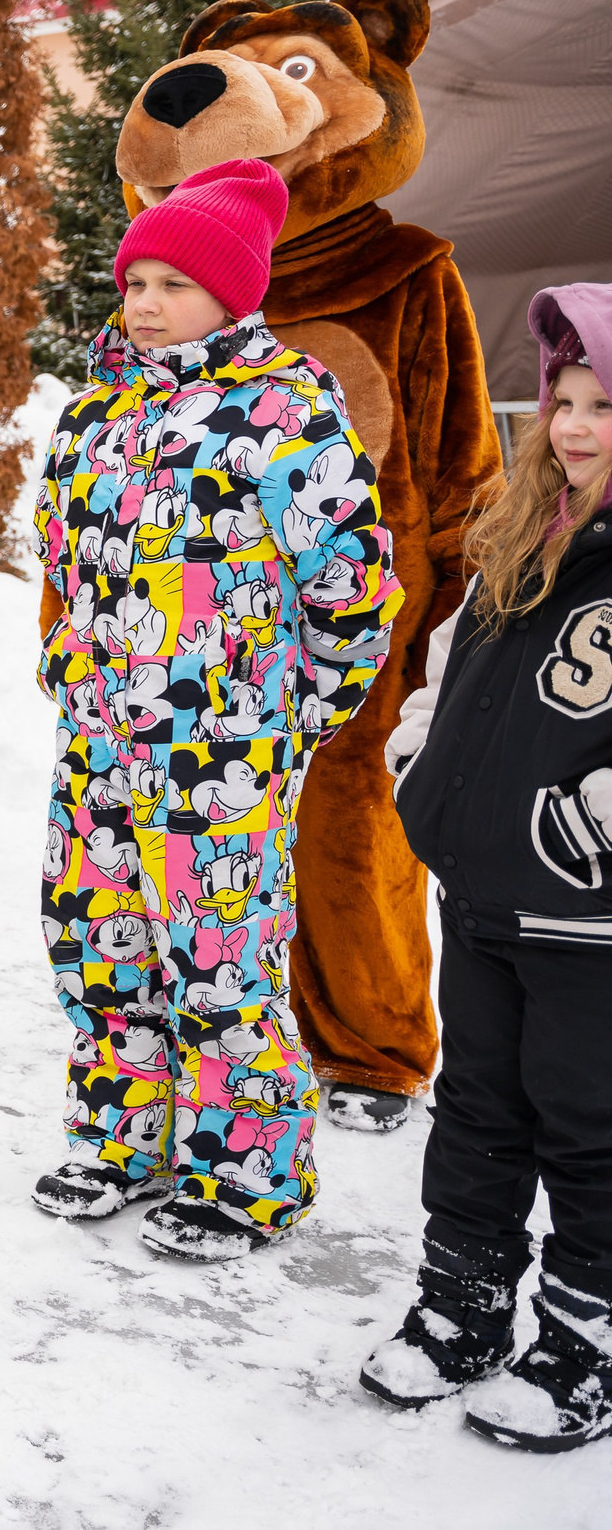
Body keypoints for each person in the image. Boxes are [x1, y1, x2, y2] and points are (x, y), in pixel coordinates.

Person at [27, 159, 401, 1262]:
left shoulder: (284, 409)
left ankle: (245, 1175)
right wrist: (65, 658)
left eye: (171, 283)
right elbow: (59, 559)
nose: (142, 301)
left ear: (231, 293)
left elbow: (351, 581)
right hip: (98, 738)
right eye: (134, 280)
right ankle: (121, 1135)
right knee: (97, 939)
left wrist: (292, 709)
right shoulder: (97, 407)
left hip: (220, 747)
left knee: (219, 959)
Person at [359, 284, 612, 1452]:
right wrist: (421, 766)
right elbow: (446, 674)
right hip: (481, 897)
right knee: (475, 1111)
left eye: (603, 406)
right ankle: (461, 1308)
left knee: (589, 1129)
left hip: (590, 920)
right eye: (563, 401)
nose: (572, 426)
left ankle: (583, 1343)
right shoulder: (523, 529)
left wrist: (585, 827)